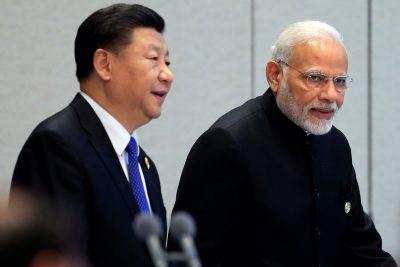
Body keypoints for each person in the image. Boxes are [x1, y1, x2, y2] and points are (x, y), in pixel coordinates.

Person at [169, 21, 397, 267]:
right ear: (275, 75)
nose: (331, 94)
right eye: (315, 78)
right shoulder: (227, 145)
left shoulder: (336, 145)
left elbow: (361, 246)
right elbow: (191, 258)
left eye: (339, 81)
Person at [10, 3, 174, 267]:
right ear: (104, 64)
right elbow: (57, 257)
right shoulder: (57, 145)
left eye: (167, 61)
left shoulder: (143, 165)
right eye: (154, 59)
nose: (168, 75)